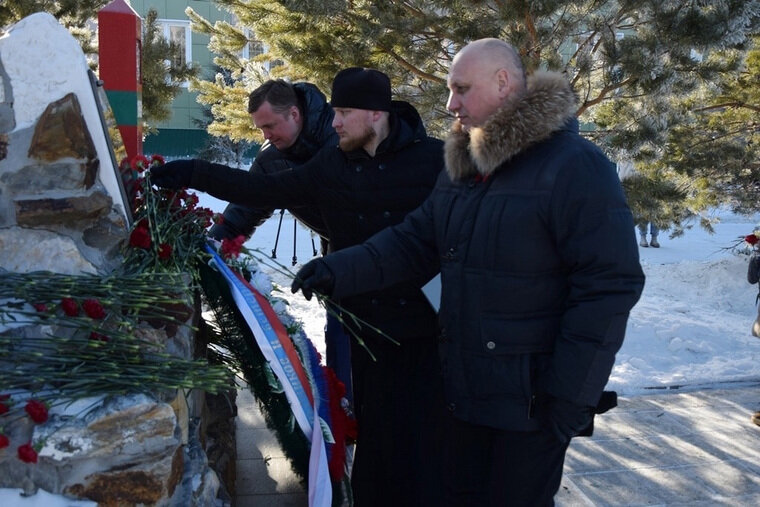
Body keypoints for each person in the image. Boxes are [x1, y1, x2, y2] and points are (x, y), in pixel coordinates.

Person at [291, 39, 646, 506]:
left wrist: (570, 398)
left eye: (461, 88)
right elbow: (415, 240)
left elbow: (610, 285)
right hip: (461, 393)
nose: (449, 103)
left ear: (503, 84)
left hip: (530, 407)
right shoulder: (465, 165)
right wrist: (337, 269)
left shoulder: (576, 166)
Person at [151, 67, 446, 505]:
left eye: (344, 112)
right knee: (375, 431)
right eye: (334, 111)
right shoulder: (335, 161)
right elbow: (260, 188)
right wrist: (193, 172)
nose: (336, 121)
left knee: (427, 436)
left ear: (376, 114)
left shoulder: (437, 159)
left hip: (427, 326)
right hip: (363, 316)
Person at [205, 79, 355, 405]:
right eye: (260, 128)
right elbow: (241, 212)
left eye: (270, 125)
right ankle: (348, 413)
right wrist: (208, 249)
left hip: (384, 251)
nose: (265, 135)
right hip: (338, 258)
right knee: (341, 335)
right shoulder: (272, 159)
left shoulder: (344, 137)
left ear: (295, 114)